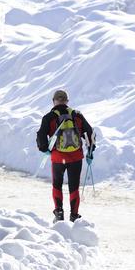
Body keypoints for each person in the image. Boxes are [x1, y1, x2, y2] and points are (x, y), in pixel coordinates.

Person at [36, 89, 95, 222]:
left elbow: (41, 136)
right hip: (76, 157)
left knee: (57, 185)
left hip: (58, 158)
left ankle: (59, 213)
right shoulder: (76, 115)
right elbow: (90, 133)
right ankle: (74, 215)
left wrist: (45, 149)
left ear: (54, 101)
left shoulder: (49, 117)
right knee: (74, 187)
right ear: (67, 101)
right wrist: (90, 151)